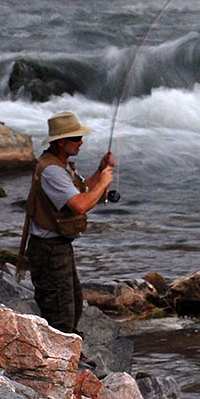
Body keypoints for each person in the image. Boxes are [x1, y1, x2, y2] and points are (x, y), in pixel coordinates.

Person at [21, 111, 115, 334]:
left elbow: (83, 189)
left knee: (73, 303)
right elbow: (80, 205)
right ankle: (61, 352)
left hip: (58, 247)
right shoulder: (52, 171)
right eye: (76, 138)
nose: (81, 142)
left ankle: (70, 347)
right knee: (60, 315)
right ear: (62, 142)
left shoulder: (62, 166)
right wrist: (104, 183)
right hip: (48, 251)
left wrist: (100, 171)